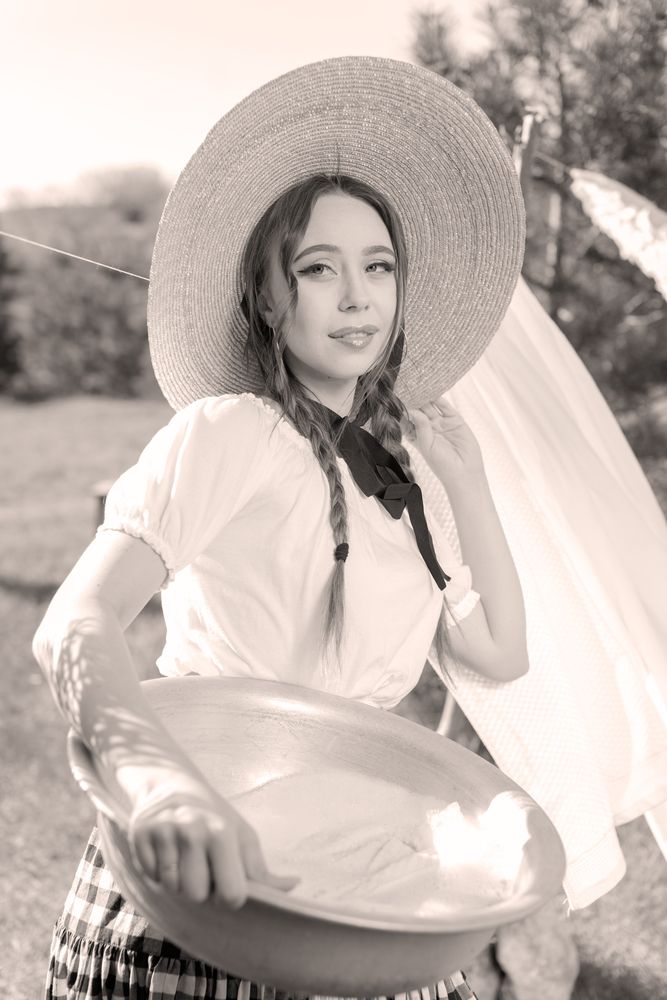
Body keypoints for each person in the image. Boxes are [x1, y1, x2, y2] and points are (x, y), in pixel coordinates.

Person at [32, 56, 528, 1000]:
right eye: (318, 268)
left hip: (362, 877)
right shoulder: (231, 433)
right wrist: (156, 782)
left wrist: (467, 488)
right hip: (209, 862)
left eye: (377, 267)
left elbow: (500, 653)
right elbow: (74, 625)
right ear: (268, 297)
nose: (357, 296)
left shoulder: (397, 478)